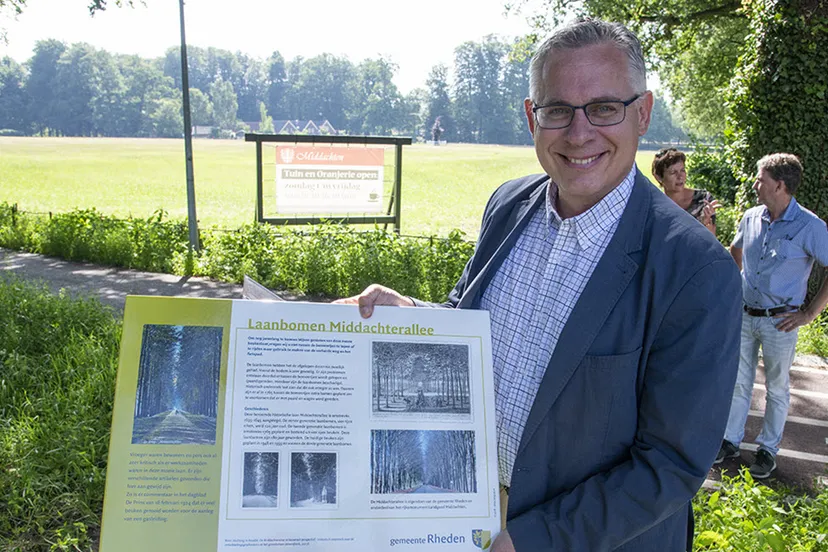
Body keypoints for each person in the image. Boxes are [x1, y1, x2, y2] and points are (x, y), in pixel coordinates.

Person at [337, 19, 741, 551]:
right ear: (533, 117)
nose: (579, 134)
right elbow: (474, 325)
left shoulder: (696, 269)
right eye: (557, 111)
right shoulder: (509, 204)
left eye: (603, 108)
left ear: (641, 113)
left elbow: (670, 465)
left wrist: (533, 539)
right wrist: (411, 311)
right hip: (465, 513)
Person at [716, 153, 828, 479]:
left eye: (760, 179)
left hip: (781, 322)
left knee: (777, 388)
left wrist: (809, 313)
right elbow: (735, 252)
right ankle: (730, 440)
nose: (755, 184)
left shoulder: (811, 226)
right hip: (744, 316)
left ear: (779, 185)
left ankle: (767, 450)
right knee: (738, 381)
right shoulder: (750, 217)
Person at [651, 148, 720, 234]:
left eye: (682, 170)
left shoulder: (704, 199)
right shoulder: (654, 207)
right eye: (673, 172)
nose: (680, 176)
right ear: (659, 177)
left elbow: (712, 240)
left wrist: (705, 223)